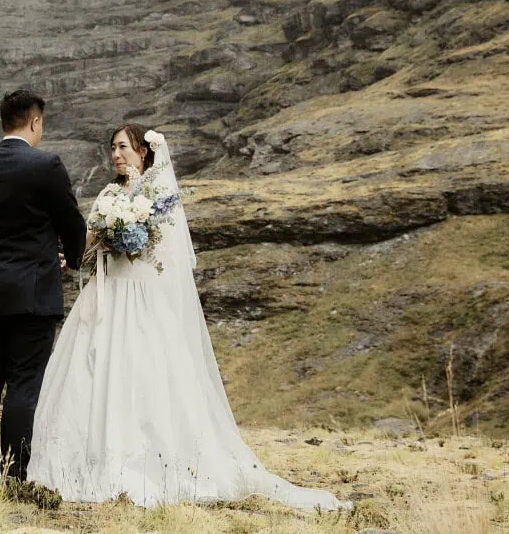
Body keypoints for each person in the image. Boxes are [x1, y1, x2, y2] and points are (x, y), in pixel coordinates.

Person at [26, 123, 348, 510]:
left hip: (141, 295)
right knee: (88, 371)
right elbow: (90, 243)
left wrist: (129, 235)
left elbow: (166, 254)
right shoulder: (110, 192)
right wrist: (96, 242)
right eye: (113, 147)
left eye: (124, 146)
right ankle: (82, 459)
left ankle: (155, 463)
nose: (116, 154)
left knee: (145, 375)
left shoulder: (158, 193)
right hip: (108, 294)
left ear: (143, 151)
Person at [0, 89, 87, 485]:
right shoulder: (46, 165)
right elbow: (72, 224)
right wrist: (71, 257)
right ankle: (16, 476)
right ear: (34, 122)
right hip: (33, 291)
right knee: (23, 384)